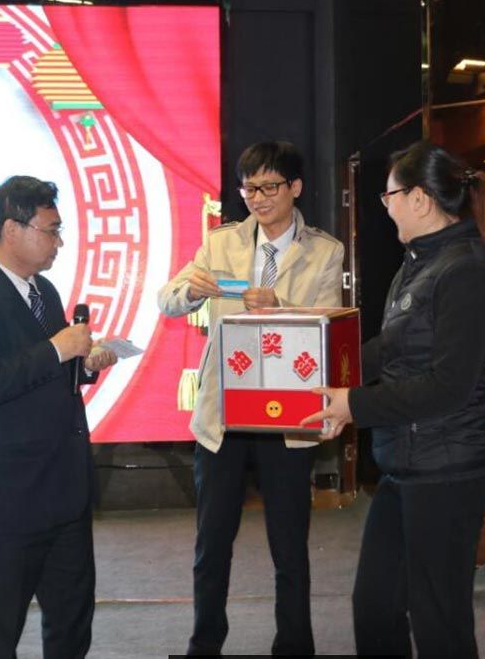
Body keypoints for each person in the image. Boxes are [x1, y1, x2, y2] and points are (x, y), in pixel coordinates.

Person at [302, 140, 485, 658]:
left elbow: (449, 387)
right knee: (375, 607)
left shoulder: (466, 272)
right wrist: (326, 376)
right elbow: (389, 349)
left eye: (389, 195)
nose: (385, 206)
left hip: (448, 471)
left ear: (419, 199)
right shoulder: (417, 264)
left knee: (439, 622)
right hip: (406, 463)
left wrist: (353, 406)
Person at [158, 140, 344, 656]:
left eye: (269, 186)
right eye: (249, 188)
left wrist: (281, 306)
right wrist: (191, 291)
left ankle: (294, 645)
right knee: (212, 544)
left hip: (288, 416)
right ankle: (204, 644)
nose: (258, 198)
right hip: (225, 415)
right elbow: (167, 299)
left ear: (295, 187)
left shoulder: (325, 251)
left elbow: (332, 326)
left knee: (289, 546)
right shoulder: (220, 243)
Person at [0, 176, 117, 658]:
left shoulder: (44, 291)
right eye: (51, 230)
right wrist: (57, 348)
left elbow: (48, 374)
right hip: (6, 499)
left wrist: (85, 363)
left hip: (64, 492)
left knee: (71, 624)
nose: (59, 242)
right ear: (11, 229)